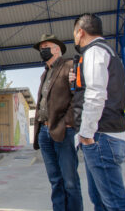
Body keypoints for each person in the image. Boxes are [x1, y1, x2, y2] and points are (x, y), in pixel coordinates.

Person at [71, 13, 125, 211]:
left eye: (74, 33)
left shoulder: (94, 52)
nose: (74, 37)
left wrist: (86, 134)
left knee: (115, 203)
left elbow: (96, 94)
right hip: (106, 135)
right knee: (100, 200)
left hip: (100, 137)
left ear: (80, 32)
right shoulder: (109, 52)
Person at [33, 34, 83, 211]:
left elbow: (78, 97)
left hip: (63, 132)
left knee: (70, 181)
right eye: (41, 48)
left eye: (45, 46)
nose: (42, 50)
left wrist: (68, 122)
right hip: (44, 133)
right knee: (55, 180)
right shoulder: (44, 74)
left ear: (57, 48)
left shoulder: (70, 65)